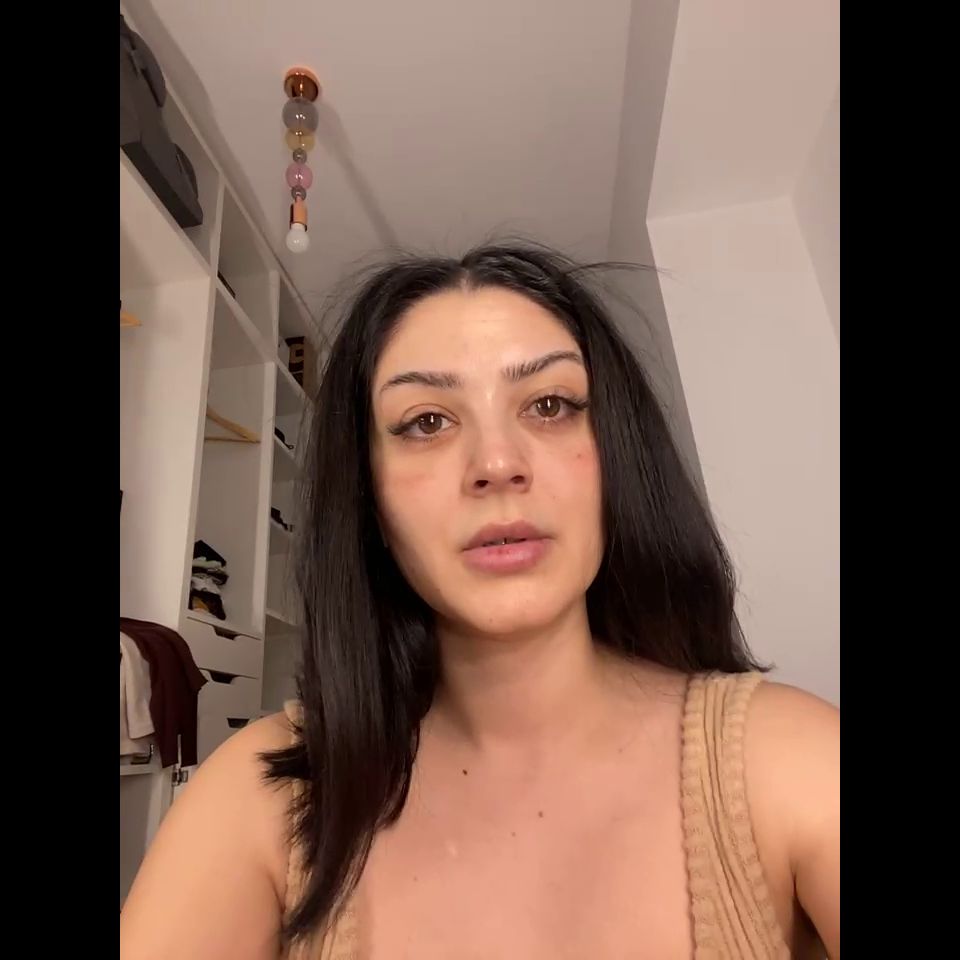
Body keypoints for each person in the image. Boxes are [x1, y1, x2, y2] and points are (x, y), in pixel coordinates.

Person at [120, 243, 839, 959]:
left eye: (550, 405)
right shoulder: (261, 795)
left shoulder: (788, 762)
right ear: (368, 497)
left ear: (617, 455)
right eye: (426, 422)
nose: (497, 463)